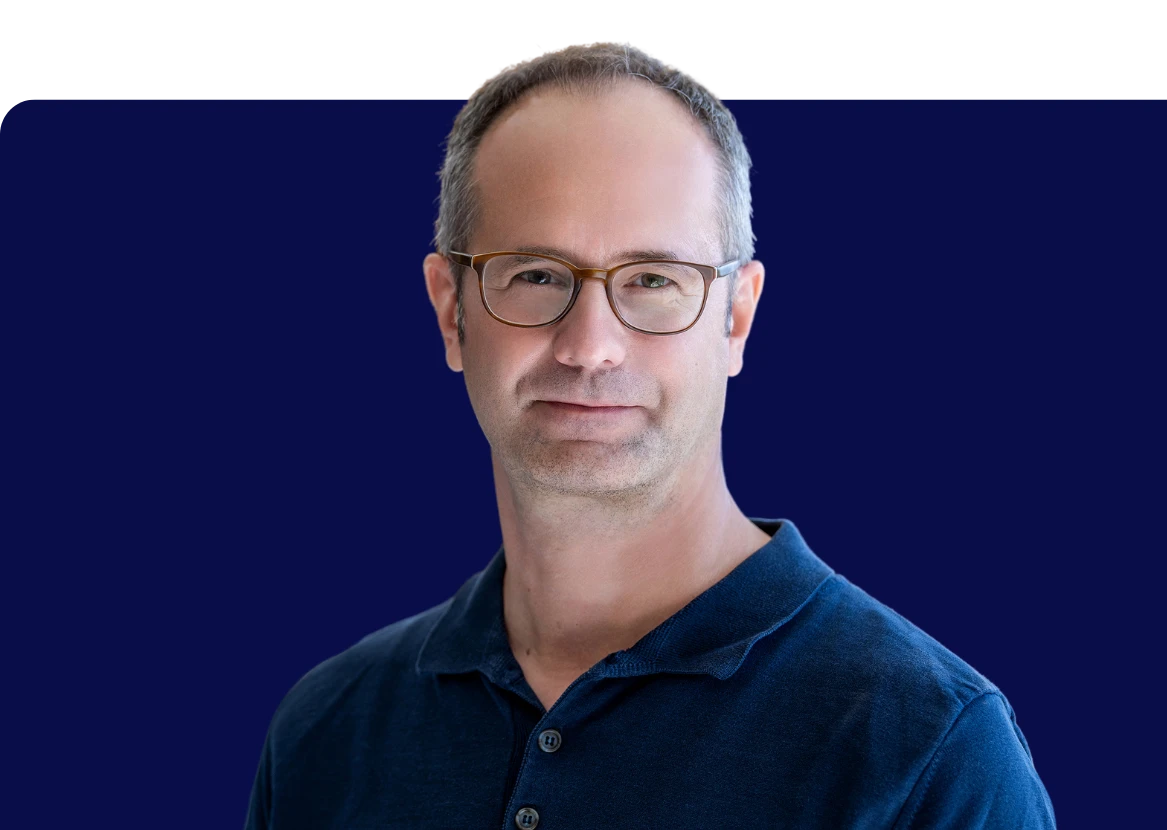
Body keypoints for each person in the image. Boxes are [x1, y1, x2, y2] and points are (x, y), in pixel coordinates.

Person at [244, 41, 1056, 829]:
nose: (589, 344)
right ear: (451, 310)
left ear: (736, 318)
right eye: (535, 274)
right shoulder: (326, 733)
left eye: (654, 280)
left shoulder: (927, 753)